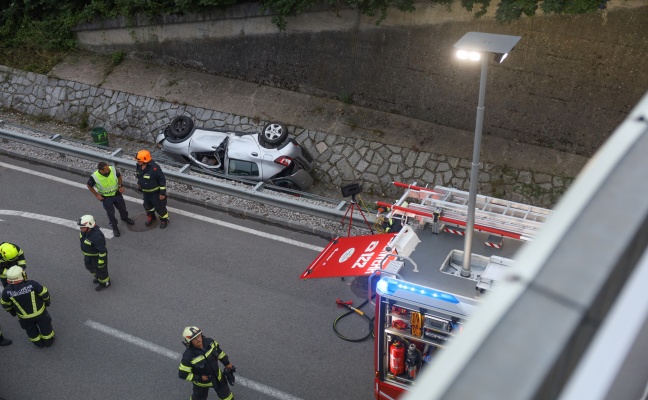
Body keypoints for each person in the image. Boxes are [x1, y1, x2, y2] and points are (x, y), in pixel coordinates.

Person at [1, 266, 54, 348]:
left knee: (31, 331)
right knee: (46, 328)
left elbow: (5, 304)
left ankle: (38, 344)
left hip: (24, 317)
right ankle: (49, 342)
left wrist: (12, 312)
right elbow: (44, 293)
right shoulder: (32, 284)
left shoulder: (6, 291)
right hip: (40, 313)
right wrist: (47, 302)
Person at [179, 326, 235, 400]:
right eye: (194, 339)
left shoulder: (210, 342)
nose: (198, 339)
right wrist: (199, 378)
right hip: (201, 384)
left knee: (227, 397)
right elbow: (183, 374)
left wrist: (227, 363)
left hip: (218, 378)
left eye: (199, 336)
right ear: (189, 342)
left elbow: (220, 353)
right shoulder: (188, 356)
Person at [87, 161, 135, 237]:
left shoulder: (112, 169)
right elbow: (89, 186)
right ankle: (114, 226)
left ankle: (125, 218)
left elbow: (119, 176)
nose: (108, 169)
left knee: (122, 208)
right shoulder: (95, 176)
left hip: (117, 194)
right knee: (110, 213)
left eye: (108, 167)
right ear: (101, 170)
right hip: (106, 198)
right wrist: (97, 195)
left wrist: (120, 186)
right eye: (106, 168)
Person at [135, 150, 170, 229]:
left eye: (139, 160)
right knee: (147, 206)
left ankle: (164, 220)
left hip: (155, 194)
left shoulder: (154, 168)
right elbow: (139, 176)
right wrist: (139, 184)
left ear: (145, 160)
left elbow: (162, 180)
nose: (138, 162)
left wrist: (162, 193)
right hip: (146, 193)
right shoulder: (139, 166)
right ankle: (152, 217)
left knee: (160, 208)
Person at [78, 215, 111, 291]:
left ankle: (105, 283)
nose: (81, 228)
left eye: (82, 227)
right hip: (88, 255)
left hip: (96, 257)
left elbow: (102, 251)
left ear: (89, 226)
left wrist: (101, 262)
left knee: (101, 270)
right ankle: (98, 278)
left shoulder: (97, 236)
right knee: (89, 267)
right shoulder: (85, 232)